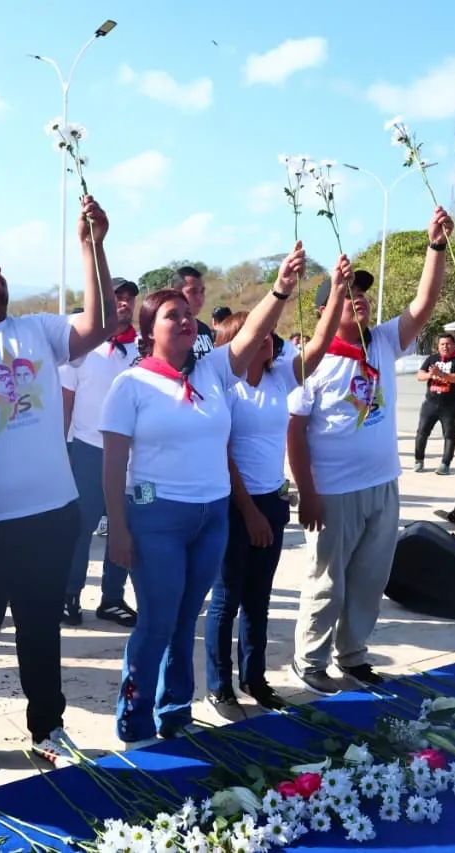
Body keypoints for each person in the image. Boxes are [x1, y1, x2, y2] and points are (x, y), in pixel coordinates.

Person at [0, 196, 117, 781]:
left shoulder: (39, 330)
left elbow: (102, 323)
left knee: (40, 629)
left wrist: (94, 247)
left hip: (50, 513)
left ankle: (47, 729)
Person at [101, 241, 302, 748]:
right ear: (149, 332)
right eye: (173, 316)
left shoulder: (211, 371)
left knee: (186, 618)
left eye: (189, 314)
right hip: (156, 515)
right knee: (157, 619)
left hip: (211, 515)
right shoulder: (130, 385)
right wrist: (119, 529)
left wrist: (279, 289)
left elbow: (253, 332)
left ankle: (175, 712)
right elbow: (112, 466)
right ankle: (135, 717)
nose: (187, 321)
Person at [287, 207, 453, 696]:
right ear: (324, 311)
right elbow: (295, 434)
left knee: (368, 580)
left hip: (383, 483)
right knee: (327, 582)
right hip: (334, 492)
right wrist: (307, 493)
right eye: (347, 295)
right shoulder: (310, 363)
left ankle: (353, 654)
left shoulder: (381, 341)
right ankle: (309, 659)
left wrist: (435, 247)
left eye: (362, 293)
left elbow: (424, 304)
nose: (359, 301)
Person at [203, 256, 349, 715]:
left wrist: (338, 291)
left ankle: (255, 679)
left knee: (258, 600)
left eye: (270, 335)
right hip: (234, 503)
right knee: (226, 600)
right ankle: (218, 686)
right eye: (260, 335)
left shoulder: (276, 377)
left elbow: (321, 345)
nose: (270, 341)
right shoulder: (225, 387)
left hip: (271, 501)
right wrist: (248, 511)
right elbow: (223, 453)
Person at [59, 277, 141, 628]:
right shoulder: (81, 349)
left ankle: (112, 597)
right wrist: (60, 452)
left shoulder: (143, 350)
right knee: (82, 528)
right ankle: (69, 594)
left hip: (134, 457)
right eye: (117, 297)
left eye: (129, 298)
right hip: (89, 449)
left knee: (124, 527)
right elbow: (66, 403)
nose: (124, 303)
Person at [412, 333, 455, 475]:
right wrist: (431, 375)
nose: (445, 347)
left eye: (448, 344)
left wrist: (442, 374)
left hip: (450, 405)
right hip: (430, 402)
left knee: (449, 434)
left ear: (454, 345)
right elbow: (420, 375)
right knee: (421, 432)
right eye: (442, 344)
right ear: (438, 346)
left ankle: (445, 464)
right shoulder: (432, 359)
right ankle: (418, 460)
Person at [174, 265, 214, 363]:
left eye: (202, 292)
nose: (199, 298)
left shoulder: (205, 329)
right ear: (176, 293)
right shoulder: (171, 330)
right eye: (193, 292)